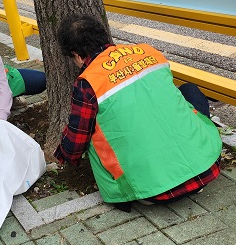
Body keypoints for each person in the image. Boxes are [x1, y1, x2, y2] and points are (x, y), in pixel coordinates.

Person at [54, 14, 222, 211]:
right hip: (206, 169)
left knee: (91, 134)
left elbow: (75, 144)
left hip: (151, 192)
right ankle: (195, 153)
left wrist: (62, 157)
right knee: (189, 90)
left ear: (76, 55)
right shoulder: (148, 52)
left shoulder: (87, 83)